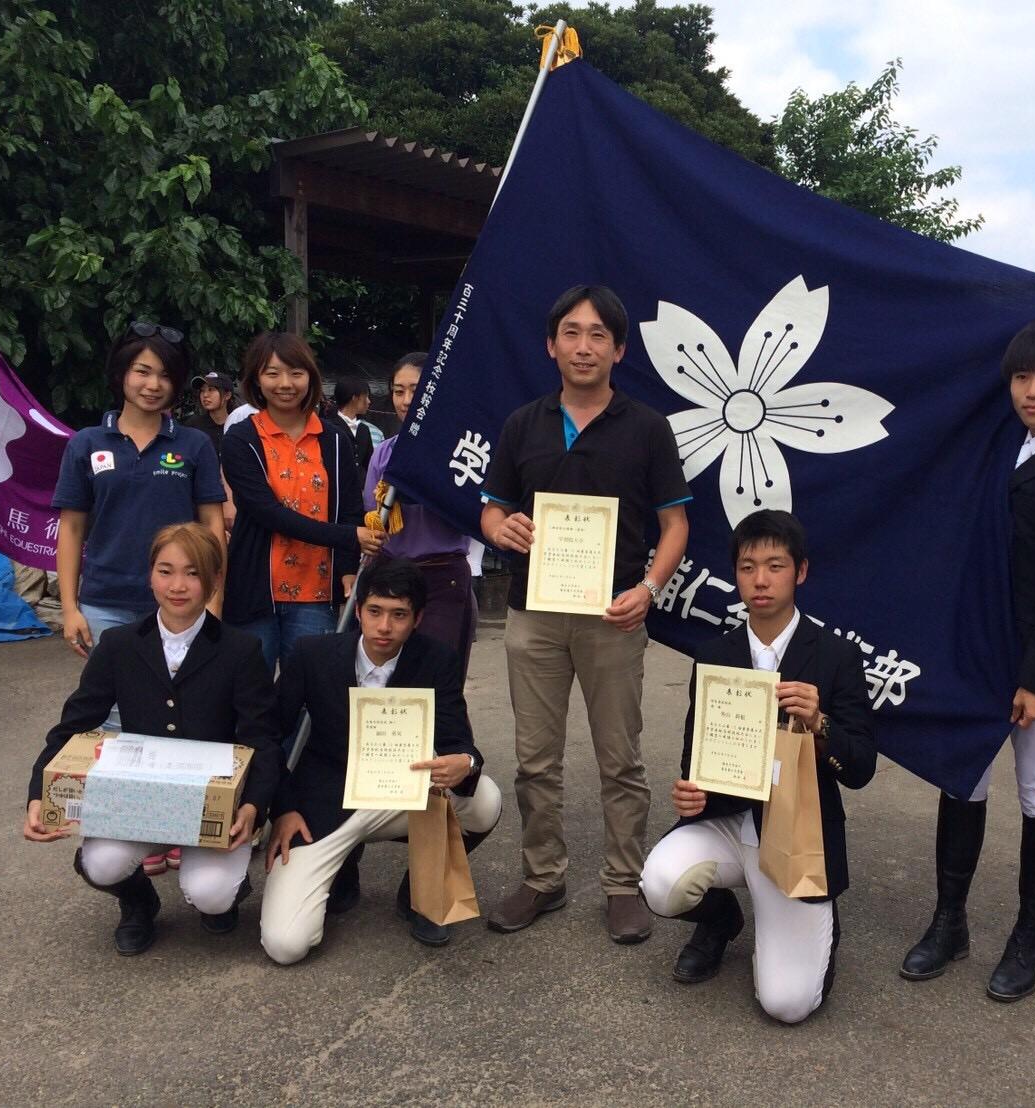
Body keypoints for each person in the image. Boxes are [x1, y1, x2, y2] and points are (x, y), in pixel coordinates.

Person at [900, 319, 1035, 1001]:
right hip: (974, 654)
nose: (1032, 390)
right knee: (961, 781)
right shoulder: (999, 450)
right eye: (1022, 377)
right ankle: (949, 922)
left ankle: (1028, 939)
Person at [480, 284, 691, 943]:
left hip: (614, 617)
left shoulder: (648, 428)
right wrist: (499, 528)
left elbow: (675, 523)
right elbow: (492, 506)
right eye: (571, 332)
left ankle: (624, 885)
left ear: (619, 350)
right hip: (534, 615)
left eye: (599, 334)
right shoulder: (523, 423)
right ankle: (543, 877)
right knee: (535, 758)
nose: (583, 345)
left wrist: (649, 589)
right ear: (551, 345)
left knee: (619, 758)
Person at [640, 510, 876, 1023]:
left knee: (786, 1004)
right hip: (727, 823)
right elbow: (694, 756)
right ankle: (721, 921)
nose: (761, 580)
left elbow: (861, 768)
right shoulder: (715, 654)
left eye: (775, 565)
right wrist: (691, 794)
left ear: (801, 572)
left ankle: (814, 922)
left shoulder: (835, 656)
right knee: (659, 882)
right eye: (748, 567)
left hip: (795, 838)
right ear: (736, 575)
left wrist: (822, 724)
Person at [22, 522, 281, 954]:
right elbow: (73, 725)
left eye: (193, 573)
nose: (178, 586)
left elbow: (264, 738)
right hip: (139, 798)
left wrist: (254, 806)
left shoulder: (241, 650)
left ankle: (226, 897)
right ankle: (138, 901)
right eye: (166, 571)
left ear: (215, 578)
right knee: (101, 863)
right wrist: (37, 793)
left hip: (211, 803)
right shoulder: (119, 645)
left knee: (211, 891)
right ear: (150, 575)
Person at [260, 558, 502, 963]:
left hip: (401, 792)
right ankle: (341, 864)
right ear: (358, 611)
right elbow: (268, 735)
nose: (384, 627)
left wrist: (466, 762)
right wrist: (281, 809)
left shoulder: (436, 659)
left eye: (398, 615)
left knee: (485, 799)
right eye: (374, 612)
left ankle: (422, 890)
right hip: (325, 800)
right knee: (286, 945)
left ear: (417, 618)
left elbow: (459, 739)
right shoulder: (312, 654)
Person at [52, 321, 225, 661]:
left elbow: (213, 525)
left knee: (182, 707)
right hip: (104, 604)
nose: (153, 385)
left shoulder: (194, 444)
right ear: (121, 374)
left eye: (165, 375)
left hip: (181, 599)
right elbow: (71, 528)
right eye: (142, 371)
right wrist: (70, 608)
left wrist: (213, 604)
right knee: (114, 710)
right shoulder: (86, 443)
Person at [220, 332, 385, 676]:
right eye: (273, 373)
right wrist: (348, 536)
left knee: (311, 697)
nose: (285, 383)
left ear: (310, 377)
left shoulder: (336, 438)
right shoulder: (241, 438)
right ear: (255, 380)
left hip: (317, 595)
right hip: (254, 591)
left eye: (296, 373)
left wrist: (347, 570)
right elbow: (267, 512)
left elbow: (349, 508)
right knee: (252, 693)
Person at [363, 352, 484, 678]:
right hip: (390, 573)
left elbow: (472, 513)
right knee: (388, 678)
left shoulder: (461, 448)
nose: (405, 400)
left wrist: (426, 484)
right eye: (398, 391)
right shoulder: (384, 452)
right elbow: (372, 517)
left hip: (443, 575)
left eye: (415, 390)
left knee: (438, 681)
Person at [330, 375, 381, 482]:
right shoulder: (329, 427)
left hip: (360, 490)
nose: (369, 401)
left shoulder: (364, 429)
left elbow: (369, 465)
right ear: (354, 398)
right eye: (366, 397)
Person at [185, 371, 236, 457]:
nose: (205, 395)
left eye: (211, 389)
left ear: (227, 395)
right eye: (202, 390)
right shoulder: (193, 426)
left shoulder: (237, 424)